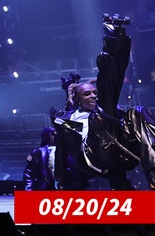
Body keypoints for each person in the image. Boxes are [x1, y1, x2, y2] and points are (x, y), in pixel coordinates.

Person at [51, 15, 155, 190]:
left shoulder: (106, 111)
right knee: (105, 98)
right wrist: (59, 187)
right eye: (87, 94)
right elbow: (60, 156)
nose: (92, 96)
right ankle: (113, 40)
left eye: (94, 93)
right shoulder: (66, 122)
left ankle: (154, 175)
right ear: (77, 99)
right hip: (94, 154)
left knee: (137, 112)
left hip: (118, 151)